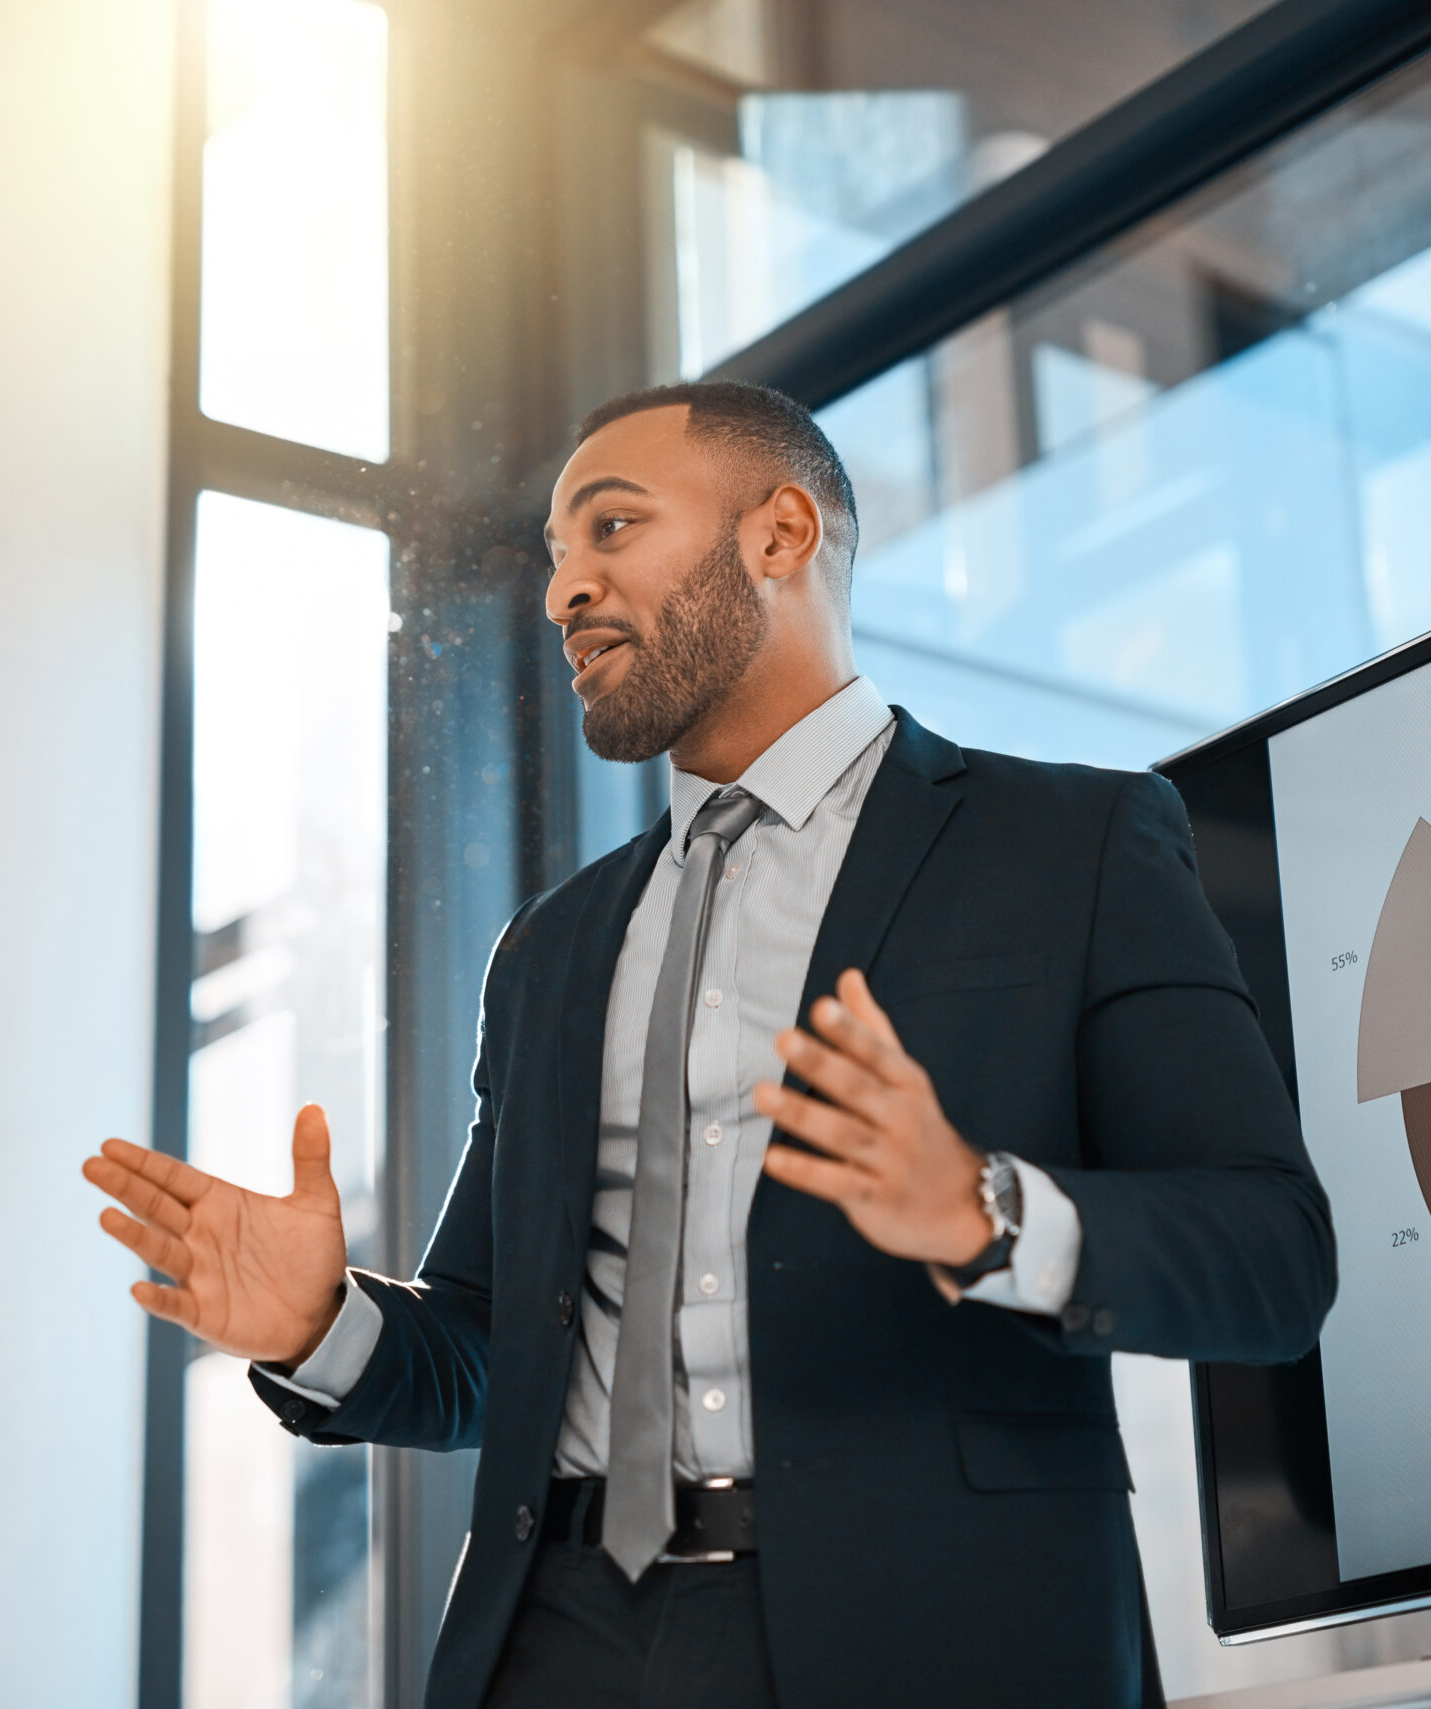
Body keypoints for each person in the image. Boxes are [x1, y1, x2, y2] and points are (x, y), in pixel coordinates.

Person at [84, 380, 1336, 1709]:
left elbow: (1271, 1256)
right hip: (556, 1636)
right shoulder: (551, 949)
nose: (564, 590)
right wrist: (325, 1324)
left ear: (779, 534)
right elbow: (493, 1350)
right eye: (554, 557)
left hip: (934, 1631)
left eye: (610, 529)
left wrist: (985, 1207)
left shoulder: (1074, 849)